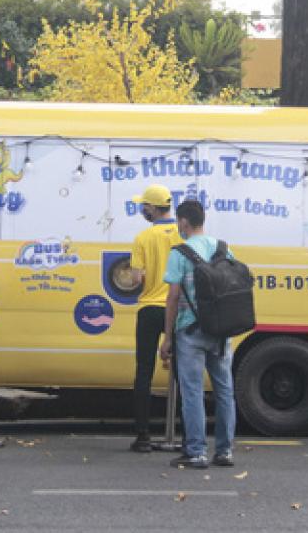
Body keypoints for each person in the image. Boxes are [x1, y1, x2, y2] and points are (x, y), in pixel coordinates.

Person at [159, 199, 235, 469]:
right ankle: (225, 451)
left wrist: (167, 337)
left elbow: (172, 297)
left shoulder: (180, 253)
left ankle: (196, 452)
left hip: (190, 329)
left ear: (183, 222)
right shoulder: (224, 249)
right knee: (224, 390)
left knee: (192, 391)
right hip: (223, 331)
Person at [128, 184, 183, 452]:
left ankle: (143, 436)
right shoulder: (183, 236)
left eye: (144, 206)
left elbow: (137, 278)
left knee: (144, 371)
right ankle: (182, 432)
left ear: (151, 208)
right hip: (179, 309)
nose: (142, 210)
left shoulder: (143, 238)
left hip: (149, 308)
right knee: (183, 371)